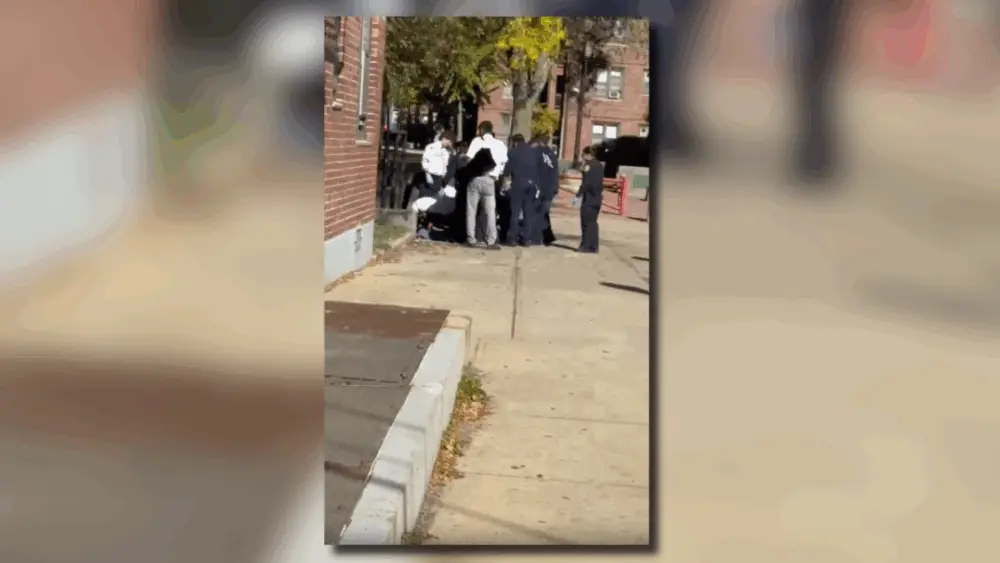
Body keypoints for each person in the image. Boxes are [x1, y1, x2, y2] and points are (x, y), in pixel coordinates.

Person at [464, 121, 508, 249]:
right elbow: (503, 162)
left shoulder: (477, 141)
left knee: (471, 210)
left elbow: (468, 158)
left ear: (482, 130)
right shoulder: (500, 144)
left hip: (475, 179)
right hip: (490, 180)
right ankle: (491, 240)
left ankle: (471, 239)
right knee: (490, 211)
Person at [529, 134, 559, 246]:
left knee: (536, 212)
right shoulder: (552, 154)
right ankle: (547, 236)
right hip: (550, 187)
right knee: (544, 212)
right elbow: (555, 171)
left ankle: (536, 238)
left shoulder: (536, 153)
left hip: (539, 187)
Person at [574, 145, 604, 253]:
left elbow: (586, 182)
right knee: (593, 223)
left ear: (588, 155)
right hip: (597, 197)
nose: (582, 157)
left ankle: (586, 245)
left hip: (589, 197)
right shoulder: (599, 165)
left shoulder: (588, 165)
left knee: (586, 222)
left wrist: (578, 195)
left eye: (583, 154)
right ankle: (594, 246)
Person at [420, 130, 453, 199]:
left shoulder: (445, 151)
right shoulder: (432, 147)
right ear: (444, 138)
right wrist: (427, 174)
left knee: (434, 197)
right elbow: (425, 161)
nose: (449, 143)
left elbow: (445, 165)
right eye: (449, 141)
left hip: (439, 177)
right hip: (431, 175)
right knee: (428, 196)